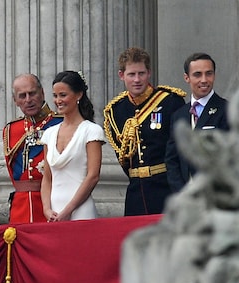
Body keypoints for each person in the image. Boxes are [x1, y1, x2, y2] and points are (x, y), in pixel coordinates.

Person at [103, 47, 186, 216]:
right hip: (135, 193)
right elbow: (123, 157)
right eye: (131, 74)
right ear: (122, 75)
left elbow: (181, 150)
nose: (137, 80)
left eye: (141, 73)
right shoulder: (116, 110)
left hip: (165, 189)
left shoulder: (170, 102)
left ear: (149, 73)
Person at [40, 71, 105, 221]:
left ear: (79, 95)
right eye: (55, 96)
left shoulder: (91, 131)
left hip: (81, 211)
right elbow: (47, 178)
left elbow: (93, 176)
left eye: (63, 95)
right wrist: (46, 209)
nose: (58, 100)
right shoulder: (49, 134)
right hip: (54, 214)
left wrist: (69, 210)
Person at [166, 52, 229, 193]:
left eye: (209, 73)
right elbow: (172, 160)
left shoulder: (227, 110)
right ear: (187, 78)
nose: (204, 80)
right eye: (197, 74)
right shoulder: (178, 115)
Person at [3, 74, 62, 223]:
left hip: (53, 204)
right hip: (21, 207)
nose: (28, 100)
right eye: (22, 96)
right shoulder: (11, 130)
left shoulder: (60, 123)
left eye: (32, 93)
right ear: (15, 101)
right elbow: (13, 172)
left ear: (42, 93)